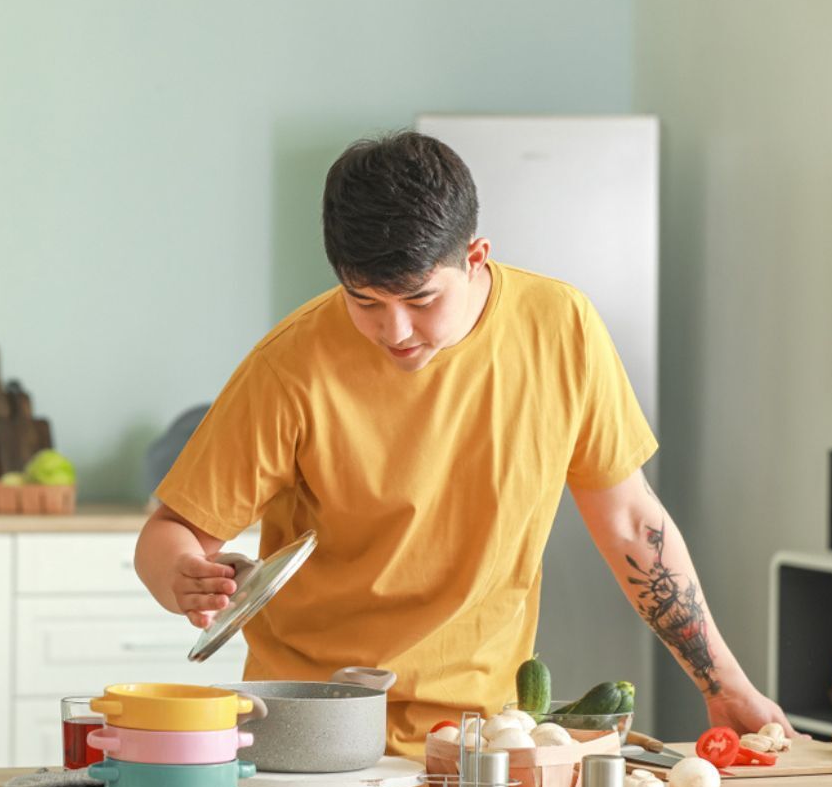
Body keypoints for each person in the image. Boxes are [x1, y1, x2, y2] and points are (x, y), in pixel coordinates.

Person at [134, 130, 797, 755]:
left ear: (474, 256)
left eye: (420, 299)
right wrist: (181, 575)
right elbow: (169, 534)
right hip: (311, 731)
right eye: (364, 302)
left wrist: (724, 685)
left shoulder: (561, 326)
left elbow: (629, 524)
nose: (394, 330)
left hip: (484, 739)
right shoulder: (291, 365)